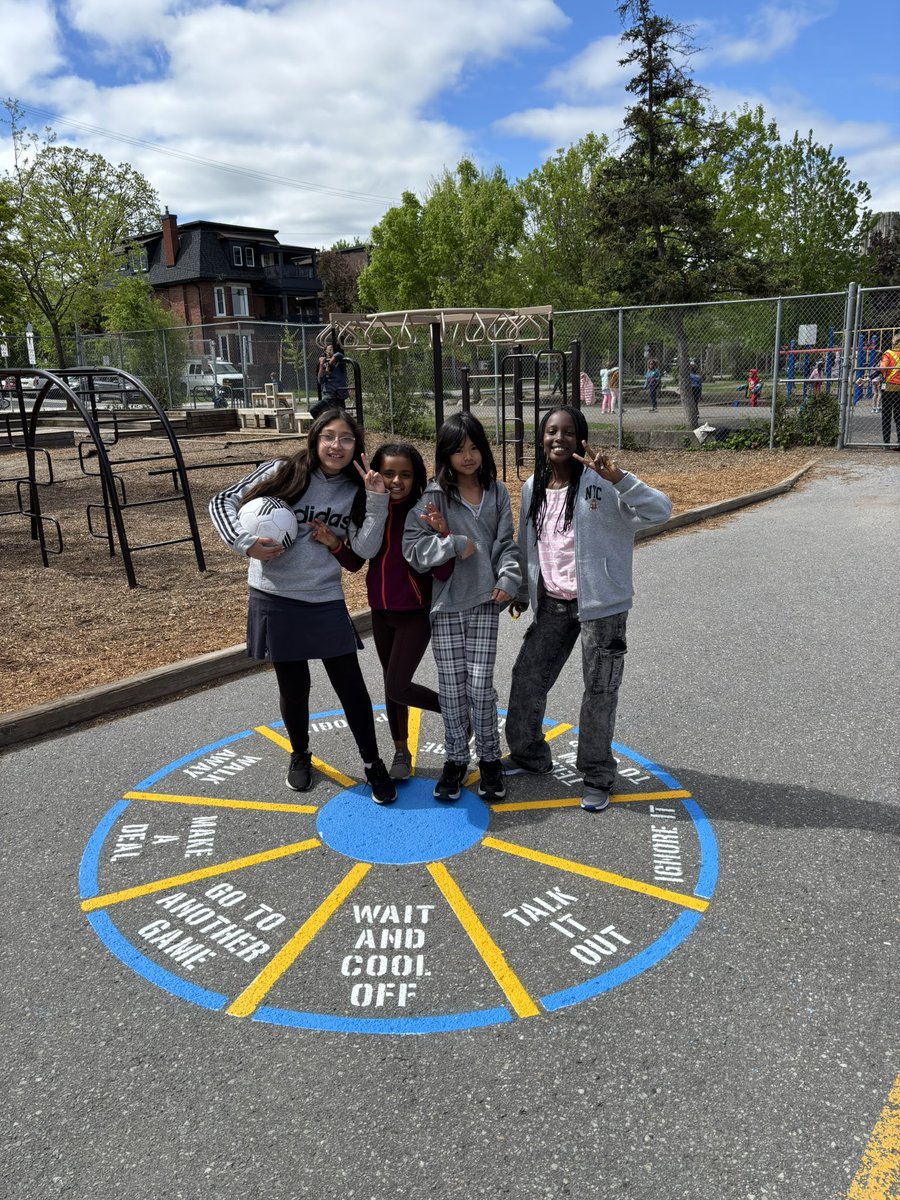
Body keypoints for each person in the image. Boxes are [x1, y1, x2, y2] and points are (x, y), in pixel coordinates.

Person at [209, 407, 397, 804]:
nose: (336, 445)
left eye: (346, 439)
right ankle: (299, 754)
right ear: (315, 439)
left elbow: (363, 549)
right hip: (274, 595)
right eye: (329, 436)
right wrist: (246, 544)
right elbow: (222, 501)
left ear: (356, 446)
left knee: (351, 687)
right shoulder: (283, 471)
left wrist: (377, 501)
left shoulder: (357, 490)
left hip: (323, 597)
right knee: (294, 687)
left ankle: (372, 762)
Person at [505, 405, 672, 811]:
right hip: (554, 604)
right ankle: (529, 754)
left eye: (566, 431)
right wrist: (525, 591)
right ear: (541, 439)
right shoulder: (533, 487)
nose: (557, 438)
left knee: (599, 691)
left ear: (581, 438)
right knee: (528, 675)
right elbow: (529, 542)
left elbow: (659, 511)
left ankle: (597, 773)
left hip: (602, 606)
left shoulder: (604, 483)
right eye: (549, 432)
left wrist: (620, 478)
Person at [403, 412, 522, 803]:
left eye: (473, 448)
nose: (467, 457)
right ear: (446, 455)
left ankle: (489, 757)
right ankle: (456, 759)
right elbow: (413, 550)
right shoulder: (434, 496)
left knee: (479, 687)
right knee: (452, 690)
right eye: (458, 450)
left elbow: (506, 543)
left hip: (486, 603)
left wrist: (508, 579)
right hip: (447, 607)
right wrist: (452, 543)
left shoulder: (497, 492)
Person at [319, 443, 448, 782]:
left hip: (414, 614)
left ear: (416, 477)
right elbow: (356, 561)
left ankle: (454, 710)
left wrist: (443, 537)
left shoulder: (423, 511)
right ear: (376, 474)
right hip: (380, 613)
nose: (396, 481)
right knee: (394, 687)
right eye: (389, 473)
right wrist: (334, 543)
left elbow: (443, 571)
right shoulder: (371, 509)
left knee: (396, 685)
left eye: (405, 474)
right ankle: (401, 751)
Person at [312, 344, 350, 419]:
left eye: (331, 350)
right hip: (328, 397)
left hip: (337, 397)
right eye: (327, 351)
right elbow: (320, 381)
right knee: (314, 410)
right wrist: (321, 365)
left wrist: (329, 365)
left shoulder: (340, 362)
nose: (328, 352)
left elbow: (339, 355)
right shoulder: (325, 363)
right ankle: (323, 426)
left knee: (339, 418)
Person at [877, 332, 900, 449]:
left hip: (889, 388)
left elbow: (882, 368)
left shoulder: (888, 353)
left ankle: (886, 443)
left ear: (894, 342)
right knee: (898, 416)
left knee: (886, 416)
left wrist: (870, 377)